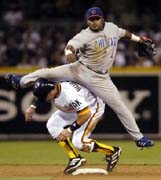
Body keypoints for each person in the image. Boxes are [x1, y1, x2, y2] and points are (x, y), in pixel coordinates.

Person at [5, 7, 155, 148]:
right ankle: (20, 81)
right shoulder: (85, 35)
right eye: (91, 19)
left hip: (100, 78)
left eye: (96, 18)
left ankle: (139, 138)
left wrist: (139, 39)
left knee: (121, 107)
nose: (94, 21)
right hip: (80, 69)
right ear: (87, 20)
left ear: (102, 19)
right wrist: (68, 53)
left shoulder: (112, 28)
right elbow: (71, 45)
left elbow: (125, 34)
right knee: (47, 72)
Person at [25, 78, 121, 174]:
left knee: (79, 143)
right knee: (52, 125)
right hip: (75, 109)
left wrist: (70, 130)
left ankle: (112, 151)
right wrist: (33, 106)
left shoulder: (70, 95)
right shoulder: (54, 88)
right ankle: (75, 158)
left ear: (51, 91)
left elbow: (85, 114)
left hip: (91, 109)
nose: (43, 99)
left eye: (44, 96)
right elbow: (42, 94)